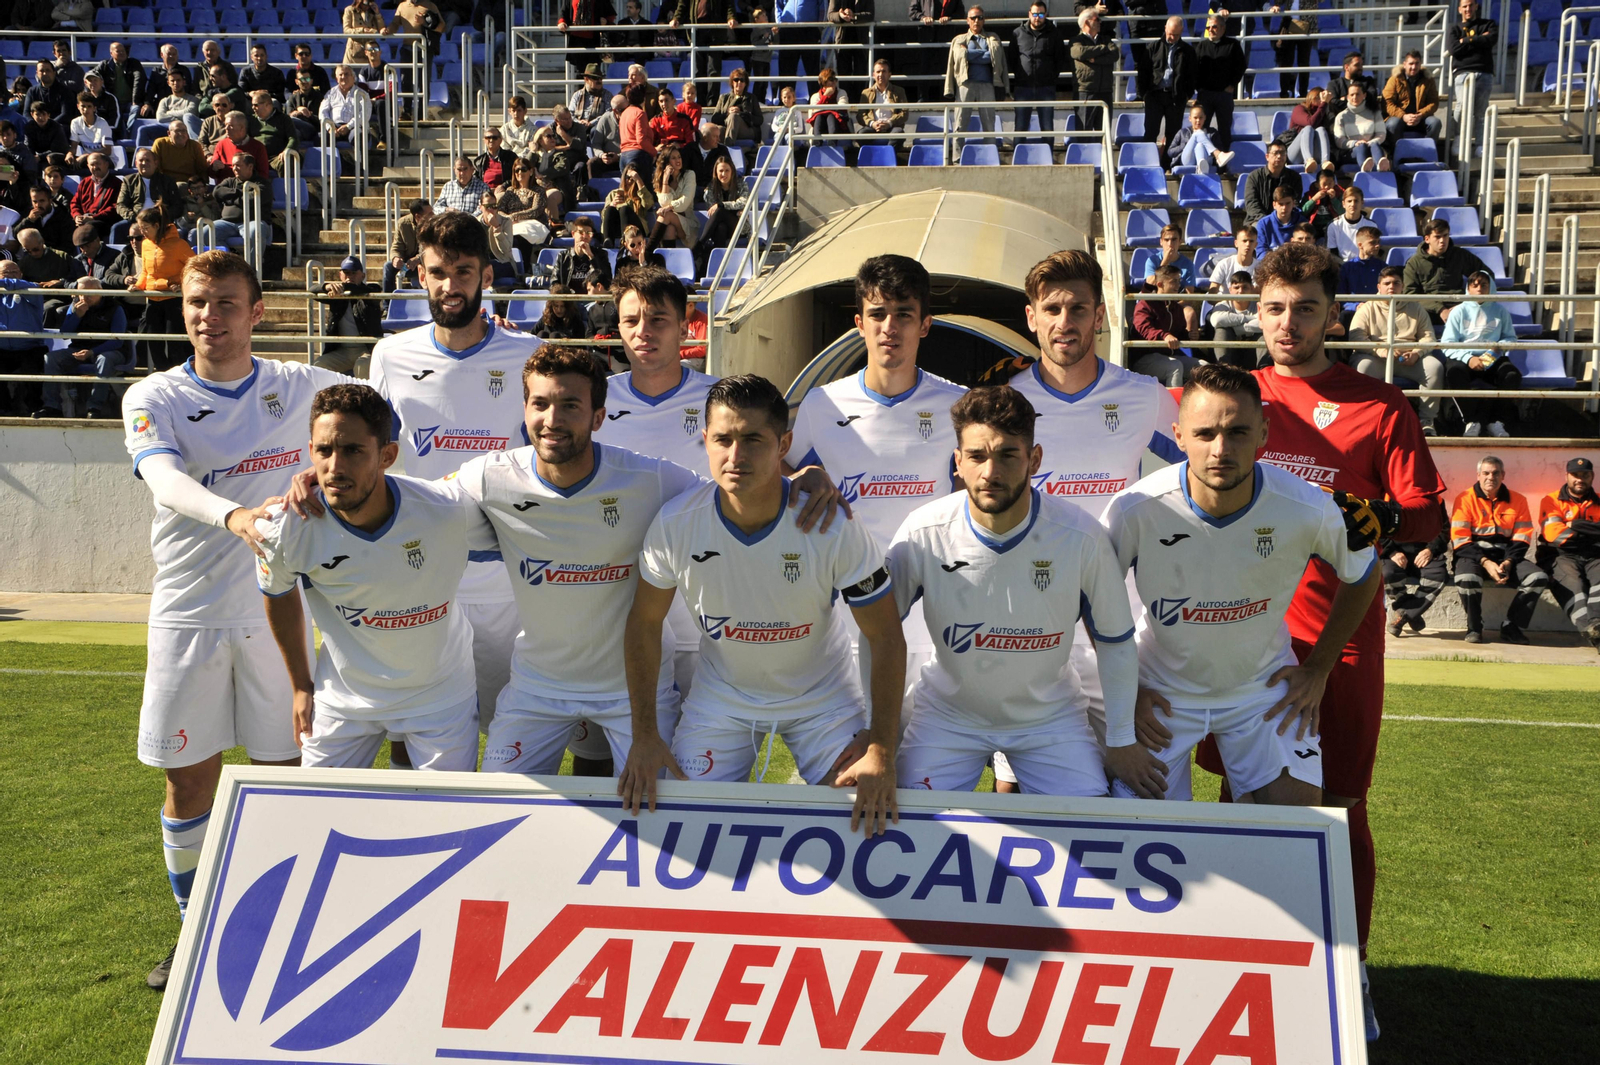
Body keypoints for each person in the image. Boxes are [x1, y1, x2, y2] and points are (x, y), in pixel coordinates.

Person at [1186, 242, 1446, 1042]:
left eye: (1304, 307)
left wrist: (1386, 520)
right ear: (1253, 311)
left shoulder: (1377, 404)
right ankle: (1244, 959)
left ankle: (1346, 968)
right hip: (1236, 640)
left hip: (1341, 643)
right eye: (1272, 307)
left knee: (1340, 809)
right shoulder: (1231, 398)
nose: (1287, 323)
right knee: (1240, 803)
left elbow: (1428, 517)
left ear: (1332, 313)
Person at [120, 251, 355, 990]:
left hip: (276, 621)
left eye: (225, 303)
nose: (207, 316)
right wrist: (236, 515)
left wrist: (322, 470)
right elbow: (163, 476)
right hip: (187, 618)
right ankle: (194, 934)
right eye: (196, 302)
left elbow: (391, 415)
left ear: (256, 313)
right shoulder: (150, 394)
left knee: (285, 778)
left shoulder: (300, 386)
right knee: (189, 784)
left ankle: (283, 921)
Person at [620, 373, 903, 835]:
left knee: (866, 816)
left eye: (753, 439)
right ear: (704, 440)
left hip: (823, 701)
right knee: (678, 823)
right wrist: (646, 735)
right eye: (723, 439)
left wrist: (881, 749)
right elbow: (644, 624)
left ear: (783, 443)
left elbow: (885, 635)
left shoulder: (832, 524)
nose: (736, 456)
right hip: (722, 701)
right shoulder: (676, 523)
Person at [1109, 363, 1380, 807]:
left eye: (1237, 432)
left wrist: (1319, 668)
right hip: (1160, 693)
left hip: (1261, 691)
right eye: (1204, 434)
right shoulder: (1136, 508)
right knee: (1138, 828)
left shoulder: (1305, 504)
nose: (1221, 449)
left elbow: (1364, 572)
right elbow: (1090, 599)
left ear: (1264, 433)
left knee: (1299, 818)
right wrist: (1126, 693)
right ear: (1178, 436)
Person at [884, 384, 1137, 794]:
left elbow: (1116, 642)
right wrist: (878, 739)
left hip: (1049, 719)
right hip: (949, 716)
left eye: (1007, 455)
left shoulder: (1080, 536)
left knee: (1089, 827)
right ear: (958, 462)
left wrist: (1122, 739)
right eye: (977, 457)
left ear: (1034, 459)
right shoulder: (923, 532)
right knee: (913, 825)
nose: (990, 473)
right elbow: (879, 632)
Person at [993, 250, 1181, 791]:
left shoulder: (1145, 399)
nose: (1064, 321)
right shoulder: (1005, 403)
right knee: (1016, 798)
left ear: (1100, 315)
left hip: (1120, 635)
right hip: (1029, 633)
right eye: (1051, 308)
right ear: (1031, 317)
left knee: (1147, 796)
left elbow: (1199, 487)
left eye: (1078, 308)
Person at [364, 211, 540, 752]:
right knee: (413, 733)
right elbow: (374, 457)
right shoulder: (390, 355)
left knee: (518, 734)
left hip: (505, 578)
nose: (450, 284)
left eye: (464, 271)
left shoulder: (527, 355)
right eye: (439, 271)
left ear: (486, 276)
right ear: (420, 274)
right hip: (421, 575)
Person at [256, 383, 492, 771]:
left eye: (352, 451)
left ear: (387, 455)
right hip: (346, 697)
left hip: (439, 695)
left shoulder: (447, 510)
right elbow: (276, 593)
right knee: (314, 813)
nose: (334, 467)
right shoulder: (284, 527)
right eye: (324, 450)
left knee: (446, 821)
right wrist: (300, 684)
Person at [786, 255, 967, 698]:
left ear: (924, 324)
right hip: (848, 606)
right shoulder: (821, 405)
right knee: (856, 750)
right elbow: (779, 472)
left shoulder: (957, 406)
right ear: (859, 323)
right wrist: (801, 474)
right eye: (878, 314)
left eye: (904, 314)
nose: (890, 327)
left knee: (918, 755)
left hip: (933, 606)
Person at [1449, 455, 1546, 644]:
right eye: (1485, 473)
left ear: (1503, 475)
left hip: (1506, 557)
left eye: (1495, 473)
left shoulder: (1518, 500)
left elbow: (1522, 537)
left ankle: (1511, 627)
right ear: (1478, 475)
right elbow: (1460, 540)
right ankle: (1474, 627)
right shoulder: (1464, 499)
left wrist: (1508, 562)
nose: (1490, 477)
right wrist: (1486, 563)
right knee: (1466, 578)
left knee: (1538, 578)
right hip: (1473, 557)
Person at [1348, 266, 1442, 435]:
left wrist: (1416, 353)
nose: (1392, 287)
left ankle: (1426, 421)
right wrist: (1381, 351)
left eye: (1396, 283)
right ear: (1379, 287)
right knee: (1363, 367)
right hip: (1377, 357)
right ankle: (1365, 419)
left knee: (1434, 367)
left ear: (1403, 286)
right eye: (1387, 283)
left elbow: (1428, 337)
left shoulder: (1416, 308)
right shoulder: (1367, 308)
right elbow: (1356, 338)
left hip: (1408, 358)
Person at [1440, 270, 1519, 438]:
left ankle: (1496, 422)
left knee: (1511, 375)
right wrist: (1468, 358)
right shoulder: (1458, 311)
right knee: (1454, 372)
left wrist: (1496, 350)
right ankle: (1471, 421)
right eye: (1474, 285)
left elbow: (1510, 338)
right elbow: (1447, 344)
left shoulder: (1500, 311)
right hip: (1465, 358)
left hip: (1492, 357)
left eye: (1484, 285)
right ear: (1468, 288)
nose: (1479, 289)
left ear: (1491, 287)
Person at [36, 277, 128, 417]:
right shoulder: (75, 305)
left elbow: (117, 341)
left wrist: (92, 352)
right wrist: (76, 316)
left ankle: (94, 408)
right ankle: (52, 406)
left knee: (105, 360)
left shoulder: (115, 307)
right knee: (51, 358)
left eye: (89, 292)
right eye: (81, 293)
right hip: (78, 349)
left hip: (109, 350)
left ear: (100, 291)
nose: (85, 297)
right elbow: (65, 334)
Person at [1538, 457, 1600, 651]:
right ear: (1566, 476)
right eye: (1575, 475)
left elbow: (1565, 530)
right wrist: (1593, 532)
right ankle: (1590, 630)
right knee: (1575, 586)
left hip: (1595, 555)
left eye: (1585, 475)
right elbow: (1554, 534)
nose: (1579, 479)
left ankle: (1597, 625)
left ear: (1592, 477)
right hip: (1561, 555)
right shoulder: (1551, 500)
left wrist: (1573, 525)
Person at [127, 207, 195, 371]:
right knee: (153, 343)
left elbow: (194, 268)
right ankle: (164, 375)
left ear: (157, 226)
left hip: (174, 299)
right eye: (141, 228)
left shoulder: (179, 244)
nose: (142, 232)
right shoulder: (145, 245)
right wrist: (138, 285)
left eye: (145, 228)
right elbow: (145, 271)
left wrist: (177, 283)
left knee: (175, 344)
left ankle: (181, 377)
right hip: (153, 298)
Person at [1404, 218, 1490, 328]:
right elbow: (1410, 294)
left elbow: (1486, 275)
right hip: (1429, 311)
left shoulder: (1460, 255)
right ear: (1427, 239)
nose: (1442, 240)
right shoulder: (1414, 263)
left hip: (1461, 307)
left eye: (1445, 236)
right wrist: (1440, 309)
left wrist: (1467, 303)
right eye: (1437, 237)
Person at [1381, 511, 1450, 637]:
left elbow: (1444, 529)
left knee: (1438, 575)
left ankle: (1404, 613)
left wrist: (1430, 549)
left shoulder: (1435, 498)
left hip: (1425, 553)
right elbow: (1376, 527)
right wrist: (1391, 551)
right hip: (1394, 554)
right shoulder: (1384, 495)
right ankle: (1412, 614)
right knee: (1388, 574)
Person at [315, 256, 383, 373]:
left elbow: (374, 290)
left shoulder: (370, 291)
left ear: (363, 276)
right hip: (342, 351)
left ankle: (365, 392)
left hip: (366, 349)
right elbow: (312, 289)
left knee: (362, 366)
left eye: (353, 273)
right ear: (340, 274)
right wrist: (326, 286)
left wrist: (342, 288)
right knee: (318, 365)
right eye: (346, 273)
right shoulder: (337, 294)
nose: (349, 276)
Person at [1130, 266, 1195, 385]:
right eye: (1173, 281)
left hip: (1170, 356)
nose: (1178, 285)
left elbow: (1179, 333)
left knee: (1203, 368)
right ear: (1160, 284)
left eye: (1179, 281)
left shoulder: (1176, 307)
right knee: (1175, 367)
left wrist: (1189, 336)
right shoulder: (1145, 304)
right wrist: (1165, 336)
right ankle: (1173, 404)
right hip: (1143, 359)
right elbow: (1144, 329)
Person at [1013, 2, 1067, 142]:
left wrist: (1050, 77)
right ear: (1029, 14)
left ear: (1046, 15)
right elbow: (1012, 59)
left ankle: (1048, 158)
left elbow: (1060, 59)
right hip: (1023, 87)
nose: (1037, 18)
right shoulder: (1017, 33)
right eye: (1035, 14)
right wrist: (1020, 75)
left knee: (1047, 127)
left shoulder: (1055, 34)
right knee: (1020, 127)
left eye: (1041, 14)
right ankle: (1017, 161)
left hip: (1046, 87)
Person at [1192, 15, 1246, 149]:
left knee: (1224, 130)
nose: (1211, 30)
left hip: (1224, 95)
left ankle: (1224, 164)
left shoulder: (1233, 45)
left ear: (1223, 28)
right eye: (1208, 27)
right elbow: (1193, 69)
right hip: (1205, 95)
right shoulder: (1201, 46)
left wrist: (1232, 84)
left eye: (1214, 26)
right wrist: (1199, 88)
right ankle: (1202, 161)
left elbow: (1241, 66)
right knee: (1201, 129)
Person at [1144, 16, 1195, 150]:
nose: (1172, 37)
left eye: (1176, 35)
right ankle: (1149, 162)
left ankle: (1168, 165)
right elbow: (1144, 71)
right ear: (1165, 28)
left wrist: (1186, 95)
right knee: (1151, 131)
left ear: (1182, 32)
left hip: (1176, 97)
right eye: (1170, 33)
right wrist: (1144, 94)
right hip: (1155, 95)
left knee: (1173, 134)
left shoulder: (1188, 51)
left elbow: (1192, 74)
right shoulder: (1153, 47)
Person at [693, 154, 748, 276]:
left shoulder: (741, 184)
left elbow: (743, 202)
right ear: (716, 173)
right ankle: (718, 269)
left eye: (727, 170)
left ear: (732, 171)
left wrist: (722, 205)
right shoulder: (711, 188)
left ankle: (700, 245)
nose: (724, 174)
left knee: (720, 210)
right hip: (720, 227)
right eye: (721, 171)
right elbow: (712, 211)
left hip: (739, 226)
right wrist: (729, 207)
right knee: (720, 227)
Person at [1448, 0, 1496, 135]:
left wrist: (1466, 40)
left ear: (1476, 6)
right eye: (1464, 6)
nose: (1467, 9)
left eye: (1470, 5)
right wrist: (1479, 39)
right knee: (1462, 107)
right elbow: (1454, 49)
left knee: (1481, 111)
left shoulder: (1488, 24)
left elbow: (1491, 40)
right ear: (1459, 9)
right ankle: (1459, 139)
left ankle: (1480, 144)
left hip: (1484, 71)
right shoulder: (1454, 28)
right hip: (1462, 72)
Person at [1068, 8, 1114, 133]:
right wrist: (1103, 49)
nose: (1100, 22)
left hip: (1105, 90)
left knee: (1104, 133)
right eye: (1097, 19)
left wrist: (1095, 59)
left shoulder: (1105, 39)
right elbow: (1079, 52)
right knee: (1084, 132)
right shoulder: (1076, 41)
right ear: (1087, 22)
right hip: (1085, 91)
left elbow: (1114, 54)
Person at [1383, 51, 1442, 143]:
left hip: (1421, 118)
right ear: (1405, 64)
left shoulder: (1428, 79)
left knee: (1435, 123)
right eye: (1411, 64)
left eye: (1417, 63)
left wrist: (1420, 114)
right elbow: (1387, 103)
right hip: (1399, 118)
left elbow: (1433, 102)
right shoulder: (1394, 79)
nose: (1414, 67)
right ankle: (1394, 153)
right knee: (1392, 124)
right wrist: (1403, 116)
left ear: (1420, 64)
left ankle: (1426, 152)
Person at [1334, 81, 1390, 172]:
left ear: (1364, 95)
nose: (1354, 97)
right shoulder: (1341, 116)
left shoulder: (1375, 113)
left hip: (1371, 147)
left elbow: (1381, 134)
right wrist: (1355, 143)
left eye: (1358, 94)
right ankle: (1365, 167)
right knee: (1361, 147)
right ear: (1348, 97)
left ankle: (1382, 166)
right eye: (1352, 95)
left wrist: (1371, 142)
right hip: (1351, 152)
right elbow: (1339, 140)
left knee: (1375, 145)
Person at [1268, 0, 1318, 100]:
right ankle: (1284, 93)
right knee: (1286, 61)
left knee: (1304, 62)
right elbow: (1279, 1)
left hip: (1307, 26)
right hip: (1288, 26)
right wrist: (1275, 6)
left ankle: (1303, 94)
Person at [1208, 271, 1262, 365]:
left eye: (1245, 287)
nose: (1240, 291)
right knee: (1221, 331)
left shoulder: (1259, 304)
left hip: (1253, 351)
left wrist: (1236, 328)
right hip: (1231, 351)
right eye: (1236, 287)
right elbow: (1216, 320)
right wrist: (1250, 318)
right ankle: (1224, 369)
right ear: (1230, 290)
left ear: (1252, 289)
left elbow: (1265, 323)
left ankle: (1264, 370)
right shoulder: (1223, 304)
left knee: (1264, 335)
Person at [648, 145, 697, 248]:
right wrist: (665, 181)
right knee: (669, 229)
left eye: (679, 157)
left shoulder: (689, 175)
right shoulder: (660, 179)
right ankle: (668, 261)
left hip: (687, 222)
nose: (678, 160)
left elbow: (684, 203)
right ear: (666, 162)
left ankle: (648, 251)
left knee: (666, 215)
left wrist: (668, 208)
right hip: (670, 223)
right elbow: (664, 203)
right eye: (673, 158)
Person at [1242, 142, 1300, 226]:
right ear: (1267, 157)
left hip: (1286, 219)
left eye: (1282, 153)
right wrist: (1268, 221)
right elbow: (1252, 205)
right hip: (1258, 220)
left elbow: (1295, 202)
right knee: (1258, 228)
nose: (1279, 156)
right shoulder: (1254, 177)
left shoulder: (1295, 177)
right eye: (1275, 153)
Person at [96, 41, 147, 136]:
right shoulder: (104, 65)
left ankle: (129, 133)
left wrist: (135, 101)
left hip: (130, 102)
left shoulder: (134, 63)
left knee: (135, 109)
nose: (122, 53)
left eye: (123, 51)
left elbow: (139, 79)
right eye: (118, 51)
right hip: (114, 102)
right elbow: (92, 76)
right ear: (111, 53)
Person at [602, 163, 657, 247]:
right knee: (610, 209)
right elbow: (604, 216)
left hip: (636, 230)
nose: (630, 181)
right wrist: (613, 204)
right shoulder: (613, 193)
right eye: (628, 178)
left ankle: (625, 241)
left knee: (624, 209)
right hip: (616, 227)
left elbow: (648, 204)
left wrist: (638, 180)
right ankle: (608, 241)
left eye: (633, 179)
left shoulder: (641, 194)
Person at [69, 150, 121, 238]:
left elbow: (115, 207)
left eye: (98, 164)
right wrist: (77, 216)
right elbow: (75, 203)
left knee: (90, 227)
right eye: (92, 165)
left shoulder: (117, 183)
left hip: (103, 222)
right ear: (88, 166)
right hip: (83, 219)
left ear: (106, 164)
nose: (95, 167)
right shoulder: (84, 182)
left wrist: (94, 218)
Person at [554, 216, 613, 291]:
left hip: (593, 299)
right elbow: (554, 284)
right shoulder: (562, 256)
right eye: (581, 232)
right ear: (573, 234)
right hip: (570, 300)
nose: (585, 236)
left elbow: (607, 281)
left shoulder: (601, 254)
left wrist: (591, 257)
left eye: (588, 233)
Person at [385, 199, 432, 292]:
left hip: (426, 261)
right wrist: (395, 258)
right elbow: (397, 245)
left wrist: (418, 258)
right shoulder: (402, 224)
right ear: (418, 217)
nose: (433, 216)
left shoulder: (435, 225)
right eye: (430, 214)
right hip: (408, 265)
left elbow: (433, 248)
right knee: (388, 266)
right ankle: (387, 304)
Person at [856, 58, 907, 143]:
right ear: (873, 75)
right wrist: (873, 124)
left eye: (884, 71)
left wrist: (889, 123)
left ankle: (888, 155)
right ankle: (872, 156)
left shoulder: (899, 91)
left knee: (899, 134)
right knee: (861, 135)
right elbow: (860, 115)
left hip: (892, 127)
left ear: (889, 74)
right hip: (872, 127)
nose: (881, 74)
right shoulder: (866, 93)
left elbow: (904, 113)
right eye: (878, 72)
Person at [1286, 86, 1335, 174]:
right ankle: (1308, 160)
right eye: (1319, 98)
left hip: (1315, 154)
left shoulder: (1324, 111)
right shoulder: (1299, 109)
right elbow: (1310, 123)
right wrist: (1323, 104)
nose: (1321, 101)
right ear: (1312, 97)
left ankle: (1325, 162)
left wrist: (1328, 105)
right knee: (1308, 128)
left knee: (1321, 129)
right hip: (1295, 154)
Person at [825, 0, 873, 87]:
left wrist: (854, 16)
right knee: (843, 75)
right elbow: (830, 15)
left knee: (861, 74)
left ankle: (860, 99)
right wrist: (840, 16)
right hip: (842, 41)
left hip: (861, 40)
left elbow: (870, 15)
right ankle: (846, 99)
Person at [711, 68, 763, 145]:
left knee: (734, 116)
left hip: (747, 130)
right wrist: (727, 113)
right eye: (736, 80)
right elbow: (714, 118)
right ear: (732, 82)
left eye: (742, 80)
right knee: (719, 130)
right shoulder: (723, 98)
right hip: (727, 128)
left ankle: (728, 149)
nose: (739, 82)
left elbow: (759, 120)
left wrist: (741, 114)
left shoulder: (751, 98)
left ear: (745, 83)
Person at [807, 67, 851, 148]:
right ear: (824, 81)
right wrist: (825, 96)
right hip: (821, 124)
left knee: (831, 116)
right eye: (831, 79)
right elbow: (813, 112)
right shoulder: (815, 96)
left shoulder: (841, 92)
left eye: (835, 79)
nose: (834, 82)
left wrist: (826, 110)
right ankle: (817, 143)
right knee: (819, 116)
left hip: (839, 124)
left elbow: (842, 107)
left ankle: (832, 142)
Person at [1327, 50, 1376, 122]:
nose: (1360, 67)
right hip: (1341, 122)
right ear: (1347, 67)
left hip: (1364, 120)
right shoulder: (1334, 84)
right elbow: (1333, 103)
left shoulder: (1368, 81)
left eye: (1361, 65)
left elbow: (1371, 99)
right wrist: (1359, 98)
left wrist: (1345, 99)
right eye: (1357, 65)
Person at [1206, 226, 1259, 291]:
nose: (1248, 244)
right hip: (1225, 301)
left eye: (1251, 241)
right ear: (1236, 243)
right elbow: (1212, 295)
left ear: (1256, 245)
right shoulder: (1224, 264)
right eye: (1244, 241)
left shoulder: (1261, 268)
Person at [1325, 185, 1371, 261]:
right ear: (1343, 204)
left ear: (1362, 203)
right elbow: (1331, 253)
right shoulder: (1333, 225)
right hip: (1341, 267)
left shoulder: (1371, 225)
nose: (1352, 204)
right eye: (1349, 201)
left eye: (1356, 201)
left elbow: (1373, 251)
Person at [618, 84, 656, 174]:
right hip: (638, 157)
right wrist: (654, 152)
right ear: (643, 97)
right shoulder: (640, 113)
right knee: (644, 187)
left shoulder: (624, 114)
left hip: (623, 157)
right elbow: (641, 140)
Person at [1338, 224, 1385, 296]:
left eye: (1378, 242)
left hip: (1376, 306)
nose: (1377, 245)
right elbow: (1340, 295)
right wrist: (1355, 305)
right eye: (1372, 242)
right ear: (1360, 245)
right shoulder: (1347, 268)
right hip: (1353, 307)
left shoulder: (1383, 267)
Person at [1255, 187, 1303, 253]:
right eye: (1281, 204)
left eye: (1288, 203)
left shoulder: (1302, 222)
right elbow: (1261, 252)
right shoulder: (1263, 224)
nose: (1284, 208)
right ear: (1274, 205)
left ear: (1293, 203)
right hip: (1271, 262)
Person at [286, 70, 326, 143]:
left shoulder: (319, 97)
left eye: (307, 79)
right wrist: (297, 112)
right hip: (297, 129)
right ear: (296, 81)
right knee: (294, 134)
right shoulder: (292, 97)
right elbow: (288, 117)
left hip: (312, 128)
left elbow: (321, 120)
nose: (305, 82)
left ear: (311, 81)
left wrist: (309, 115)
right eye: (302, 79)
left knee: (292, 121)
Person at [343, 0, 387, 66]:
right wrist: (362, 30)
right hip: (353, 53)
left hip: (370, 53)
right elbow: (346, 30)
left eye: (369, 3)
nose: (367, 6)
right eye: (365, 3)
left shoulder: (372, 12)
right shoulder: (349, 10)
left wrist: (377, 14)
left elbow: (381, 28)